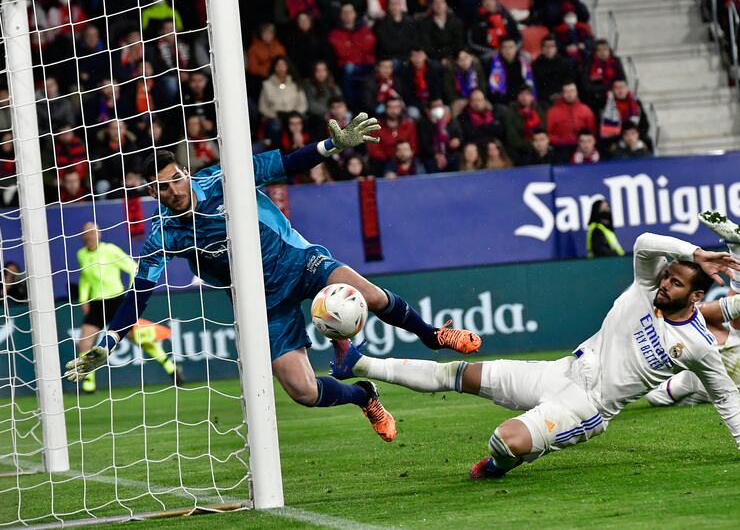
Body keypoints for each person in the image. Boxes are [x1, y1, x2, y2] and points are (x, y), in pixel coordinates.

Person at [65, 115, 481, 442]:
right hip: (261, 301)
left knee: (367, 295)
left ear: (184, 171)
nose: (173, 188)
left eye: (176, 177)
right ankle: (364, 395)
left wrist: (333, 144)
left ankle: (431, 335)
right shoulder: (163, 233)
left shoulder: (224, 179)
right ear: (152, 194)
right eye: (162, 186)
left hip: (299, 263)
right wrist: (110, 339)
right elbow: (141, 291)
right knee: (302, 391)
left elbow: (285, 163)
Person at [330, 232, 740, 478]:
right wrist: (694, 251)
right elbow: (645, 242)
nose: (665, 285)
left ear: (696, 294)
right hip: (560, 372)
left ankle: (495, 468)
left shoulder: (700, 344)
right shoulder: (645, 287)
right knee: (459, 373)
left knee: (505, 442)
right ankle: (362, 365)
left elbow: (726, 395)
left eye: (676, 283)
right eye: (666, 278)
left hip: (585, 407)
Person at [646, 212, 740, 406]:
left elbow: (660, 395)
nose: (664, 284)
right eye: (666, 278)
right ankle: (737, 249)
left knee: (695, 325)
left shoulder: (668, 333)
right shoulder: (665, 327)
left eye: (672, 280)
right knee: (703, 318)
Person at [75, 222, 179, 393]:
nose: (90, 236)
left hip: (116, 301)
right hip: (96, 304)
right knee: (84, 342)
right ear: (83, 237)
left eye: (93, 232)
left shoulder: (110, 250)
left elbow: (132, 267)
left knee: (137, 338)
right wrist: (83, 299)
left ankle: (170, 368)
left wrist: (133, 292)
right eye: (87, 233)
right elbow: (84, 278)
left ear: (99, 234)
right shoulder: (82, 255)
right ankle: (88, 384)